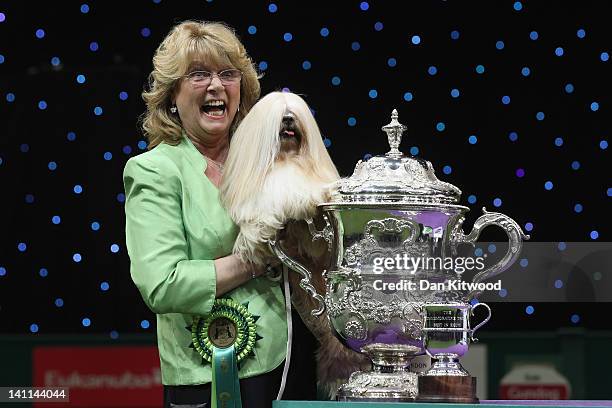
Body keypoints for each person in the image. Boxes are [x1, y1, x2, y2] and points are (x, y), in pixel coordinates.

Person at [123, 21, 314, 408]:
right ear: (171, 96)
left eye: (228, 74)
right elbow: (162, 284)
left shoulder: (271, 159)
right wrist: (255, 259)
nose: (216, 86)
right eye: (198, 75)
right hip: (207, 376)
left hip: (292, 362)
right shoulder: (154, 170)